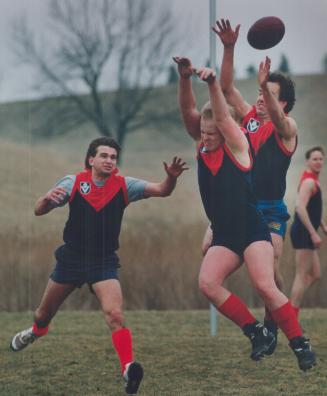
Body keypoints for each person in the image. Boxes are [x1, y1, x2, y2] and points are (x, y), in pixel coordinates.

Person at [10, 137, 188, 395]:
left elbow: (162, 190)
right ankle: (36, 331)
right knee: (42, 315)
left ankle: (128, 368)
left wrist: (171, 177)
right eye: (104, 156)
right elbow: (39, 210)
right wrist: (46, 198)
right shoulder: (73, 182)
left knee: (115, 314)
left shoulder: (125, 185)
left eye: (113, 157)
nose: (109, 161)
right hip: (71, 259)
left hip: (103, 261)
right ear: (91, 159)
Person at [173, 55, 316, 371]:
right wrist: (190, 74)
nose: (204, 137)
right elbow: (198, 109)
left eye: (211, 133)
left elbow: (225, 115)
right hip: (227, 224)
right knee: (208, 281)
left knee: (267, 281)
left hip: (261, 216)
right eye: (203, 134)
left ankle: (295, 340)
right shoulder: (230, 129)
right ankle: (257, 332)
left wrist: (214, 84)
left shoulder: (266, 131)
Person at [213, 19, 298, 352]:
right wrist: (229, 48)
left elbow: (277, 119)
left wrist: (265, 88)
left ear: (284, 103)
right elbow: (226, 87)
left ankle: (272, 320)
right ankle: (268, 317)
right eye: (262, 93)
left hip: (271, 209)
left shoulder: (287, 126)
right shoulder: (248, 118)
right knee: (209, 254)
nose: (261, 99)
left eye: (271, 95)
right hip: (240, 206)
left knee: (271, 263)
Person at [290, 146, 327, 317]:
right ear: (307, 161)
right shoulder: (309, 182)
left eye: (321, 159)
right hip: (304, 232)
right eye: (315, 159)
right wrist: (313, 233)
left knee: (315, 274)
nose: (318, 162)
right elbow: (299, 208)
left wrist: (322, 225)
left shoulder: (313, 180)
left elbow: (312, 208)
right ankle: (290, 317)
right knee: (301, 275)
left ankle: (289, 312)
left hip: (308, 231)